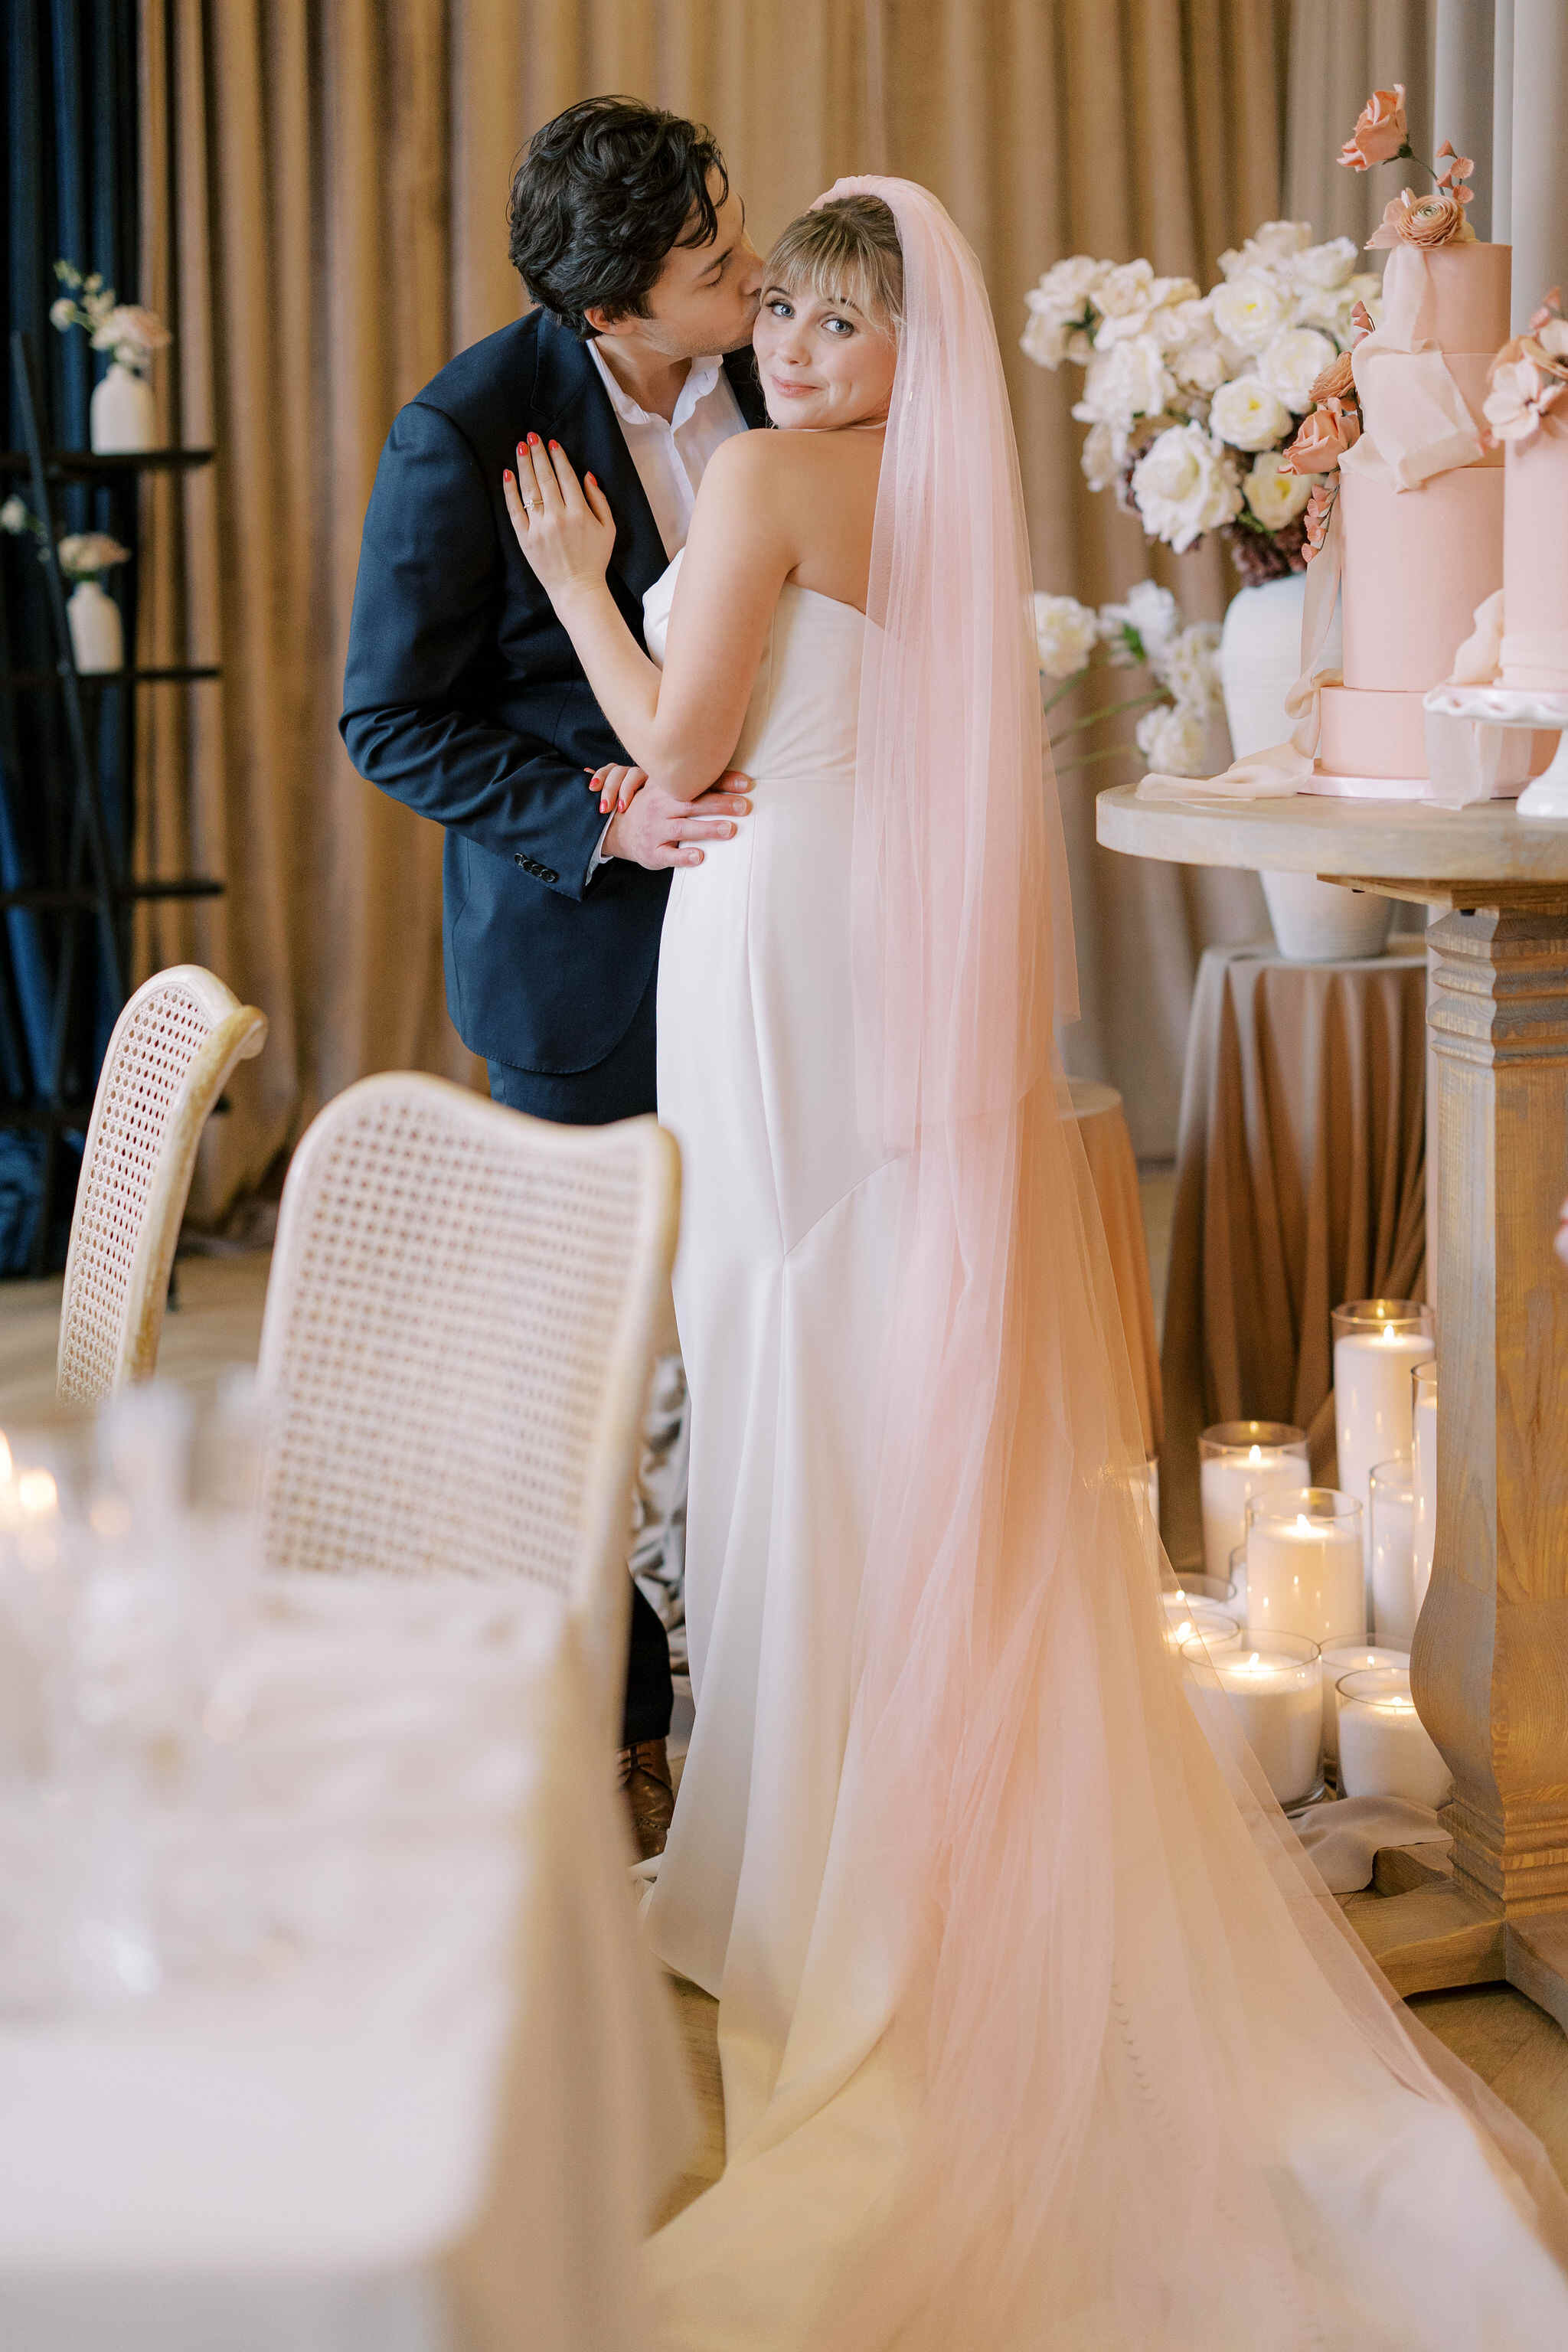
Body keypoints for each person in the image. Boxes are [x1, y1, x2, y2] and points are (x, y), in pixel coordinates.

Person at [506, 179, 1568, 2347]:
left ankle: (804, 1858)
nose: (788, 349)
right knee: (853, 1349)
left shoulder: (769, 481)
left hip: (773, 944)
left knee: (779, 1345)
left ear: (911, 344)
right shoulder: (941, 508)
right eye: (779, 315)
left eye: (835, 322)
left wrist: (578, 587)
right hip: (868, 959)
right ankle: (871, 1821)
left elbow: (679, 753)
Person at [340, 98, 766, 1858]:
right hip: (586, 969)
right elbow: (389, 716)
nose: (752, 272)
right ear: (608, 311)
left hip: (782, 946)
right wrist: (601, 815)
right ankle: (613, 1730)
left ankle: (781, 1705)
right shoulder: (463, 434)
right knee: (583, 1372)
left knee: (770, 1330)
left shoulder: (789, 370)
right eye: (712, 264)